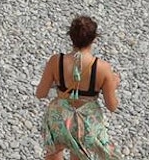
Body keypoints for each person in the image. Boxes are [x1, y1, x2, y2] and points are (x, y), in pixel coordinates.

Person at [35, 15, 121, 160]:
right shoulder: (103, 68)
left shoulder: (56, 61)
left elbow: (41, 93)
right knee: (80, 154)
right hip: (85, 120)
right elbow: (112, 106)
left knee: (54, 152)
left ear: (71, 37)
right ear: (94, 39)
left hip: (59, 116)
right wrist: (113, 84)